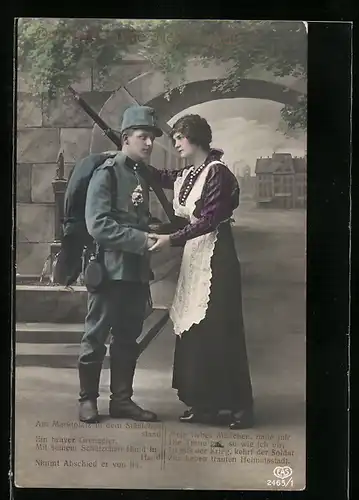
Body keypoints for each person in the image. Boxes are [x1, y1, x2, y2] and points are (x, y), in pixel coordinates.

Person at [148, 114, 254, 429]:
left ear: (195, 138)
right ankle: (203, 403)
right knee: (195, 330)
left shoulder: (217, 174)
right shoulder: (189, 174)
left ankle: (238, 408)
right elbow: (158, 176)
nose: (175, 142)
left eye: (180, 137)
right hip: (196, 256)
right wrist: (130, 157)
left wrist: (170, 239)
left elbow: (208, 220)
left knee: (220, 329)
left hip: (217, 257)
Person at [78, 105, 162, 423]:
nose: (149, 143)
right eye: (143, 137)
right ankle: (87, 399)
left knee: (128, 337)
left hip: (136, 271)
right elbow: (98, 224)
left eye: (152, 137)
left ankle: (122, 400)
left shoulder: (139, 174)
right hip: (110, 269)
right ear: (126, 139)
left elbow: (134, 218)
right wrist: (142, 240)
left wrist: (153, 228)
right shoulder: (108, 172)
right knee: (96, 335)